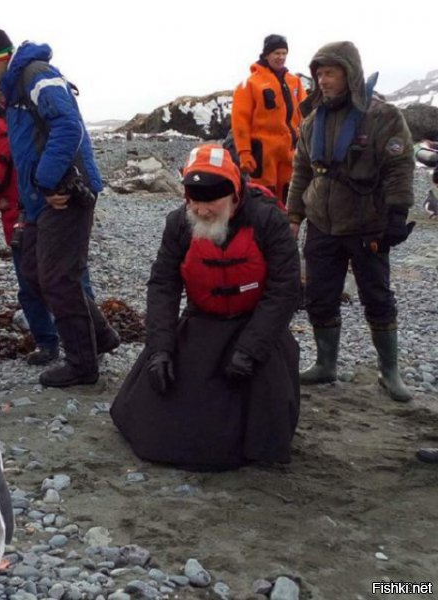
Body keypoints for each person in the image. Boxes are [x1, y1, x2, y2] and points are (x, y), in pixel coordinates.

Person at [110, 144, 301, 471]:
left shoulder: (269, 221)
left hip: (255, 325)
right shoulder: (178, 225)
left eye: (212, 200)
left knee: (264, 409)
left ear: (235, 195)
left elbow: (285, 290)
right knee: (157, 408)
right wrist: (160, 348)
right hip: (202, 322)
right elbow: (163, 286)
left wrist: (250, 349)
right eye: (194, 199)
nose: (202, 209)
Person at [0, 26, 119, 388]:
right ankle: (101, 336)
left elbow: (68, 127)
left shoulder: (36, 75)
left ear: (1, 57)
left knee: (57, 277)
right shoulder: (16, 87)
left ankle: (83, 364)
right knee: (36, 270)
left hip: (65, 193)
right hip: (41, 198)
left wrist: (48, 180)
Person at [286, 41, 415, 402]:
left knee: (377, 297)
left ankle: (389, 371)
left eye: (330, 72)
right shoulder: (311, 121)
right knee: (319, 296)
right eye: (319, 74)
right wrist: (293, 217)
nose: (323, 81)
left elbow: (399, 167)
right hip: (322, 225)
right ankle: (326, 364)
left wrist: (398, 213)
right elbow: (301, 172)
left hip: (367, 225)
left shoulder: (383, 117)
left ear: (350, 73)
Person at [0, 85, 96, 366]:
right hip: (18, 218)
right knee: (30, 283)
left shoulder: (37, 116)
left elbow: (67, 149)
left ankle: (89, 341)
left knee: (72, 279)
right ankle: (47, 341)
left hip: (55, 209)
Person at [231, 34, 307, 204]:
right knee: (263, 196)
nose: (280, 57)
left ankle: (286, 228)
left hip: (289, 150)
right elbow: (240, 121)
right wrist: (244, 153)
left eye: (283, 53)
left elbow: (305, 114)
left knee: (289, 195)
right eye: (276, 53)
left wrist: (306, 145)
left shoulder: (294, 82)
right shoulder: (250, 84)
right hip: (263, 151)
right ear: (266, 54)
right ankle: (262, 229)